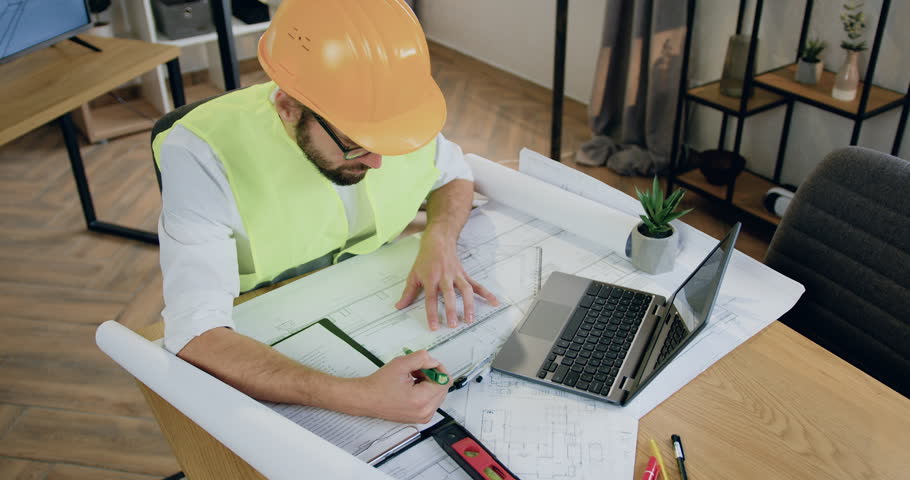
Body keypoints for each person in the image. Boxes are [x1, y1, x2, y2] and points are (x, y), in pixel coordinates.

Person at [153, 0, 497, 424]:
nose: (377, 163)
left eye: (388, 141)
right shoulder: (199, 152)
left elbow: (453, 175)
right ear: (288, 107)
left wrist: (440, 240)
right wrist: (359, 396)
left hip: (361, 296)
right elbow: (194, 333)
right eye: (356, 143)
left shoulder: (392, 111)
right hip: (265, 315)